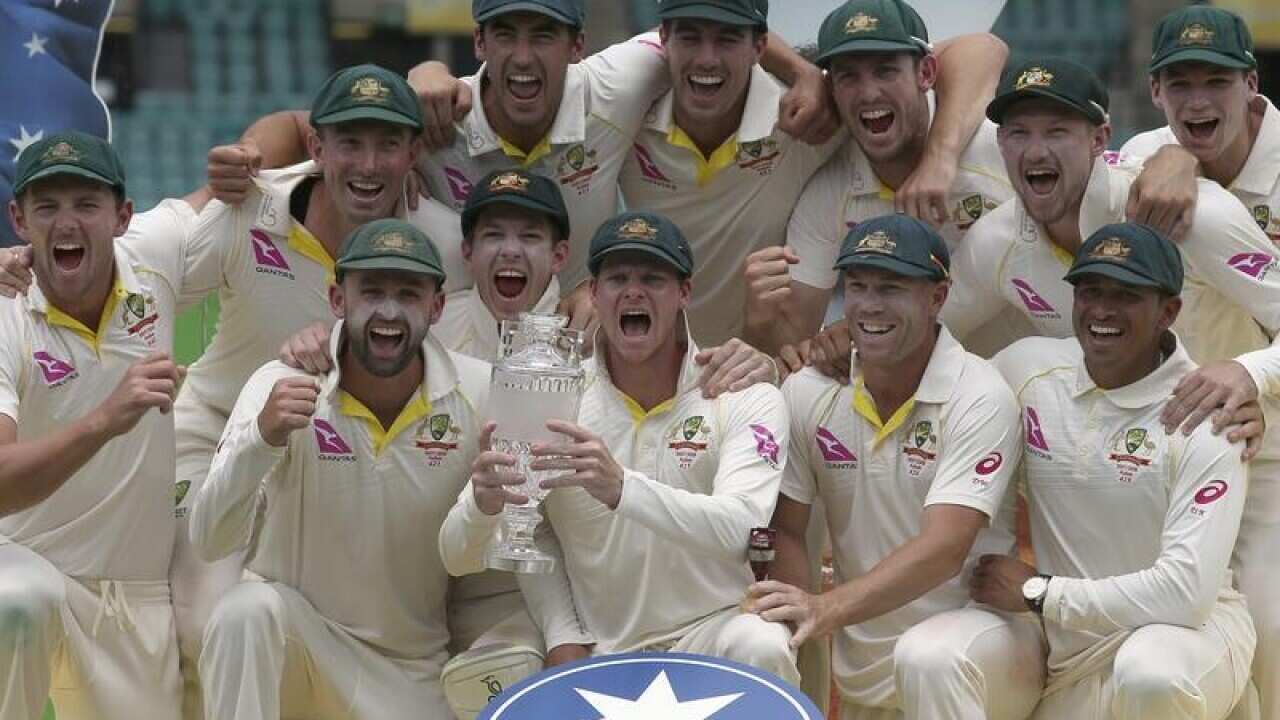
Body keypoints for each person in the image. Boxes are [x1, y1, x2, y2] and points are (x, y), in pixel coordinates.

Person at [439, 210, 799, 686]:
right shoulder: (553, 396)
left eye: (653, 279)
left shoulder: (743, 393)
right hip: (605, 649)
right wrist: (485, 510)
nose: (633, 292)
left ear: (684, 293)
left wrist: (622, 488)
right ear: (593, 293)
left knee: (763, 643)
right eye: (617, 279)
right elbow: (460, 555)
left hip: (713, 630)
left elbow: (741, 527)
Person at [189, 219, 487, 720]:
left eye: (408, 294)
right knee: (244, 613)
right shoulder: (279, 385)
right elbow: (209, 540)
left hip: (408, 674)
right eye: (371, 291)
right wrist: (261, 439)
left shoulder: (478, 393)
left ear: (436, 307)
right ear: (337, 298)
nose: (388, 311)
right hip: (304, 647)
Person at [749, 214, 1041, 720]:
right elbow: (788, 530)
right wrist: (800, 622)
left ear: (938, 297)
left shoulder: (979, 395)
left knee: (928, 658)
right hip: (865, 672)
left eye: (891, 287)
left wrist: (824, 609)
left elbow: (945, 549)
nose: (869, 304)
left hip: (979, 652)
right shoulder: (808, 392)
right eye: (857, 286)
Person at [975, 222, 1256, 720]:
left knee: (1151, 673)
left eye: (1126, 295)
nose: (1102, 310)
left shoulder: (1209, 417)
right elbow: (938, 382)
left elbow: (1185, 595)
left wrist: (1040, 592)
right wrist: (842, 346)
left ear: (1168, 311)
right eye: (1090, 291)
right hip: (1074, 651)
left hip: (1189, 640)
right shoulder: (1028, 370)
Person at [943, 56, 1279, 451]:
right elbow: (927, 337)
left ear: (1100, 139)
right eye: (1019, 133)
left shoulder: (1194, 215)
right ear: (1000, 142)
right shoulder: (996, 240)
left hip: (1248, 446)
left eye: (1056, 132)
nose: (1035, 152)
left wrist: (1249, 372)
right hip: (1118, 461)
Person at [0, 132, 196, 719]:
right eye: (46, 206)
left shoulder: (155, 255)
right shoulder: (5, 312)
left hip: (133, 595)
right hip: (21, 559)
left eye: (86, 204)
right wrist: (108, 417)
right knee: (18, 603)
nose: (67, 222)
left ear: (122, 216)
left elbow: (245, 177)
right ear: (18, 219)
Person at [1122, 10, 1280, 713]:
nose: (1196, 100)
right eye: (1178, 83)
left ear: (1251, 83)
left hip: (1271, 447)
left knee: (1271, 636)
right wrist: (1174, 157)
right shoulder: (1141, 159)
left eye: (1215, 81)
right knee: (1172, 651)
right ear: (1154, 91)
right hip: (1180, 440)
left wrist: (1253, 374)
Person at [743, 0, 1023, 357]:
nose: (869, 93)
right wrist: (760, 320)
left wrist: (939, 159)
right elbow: (794, 346)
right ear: (831, 91)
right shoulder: (829, 194)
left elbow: (987, 47)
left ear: (926, 73)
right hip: (917, 388)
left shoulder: (1001, 150)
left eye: (886, 71)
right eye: (848, 76)